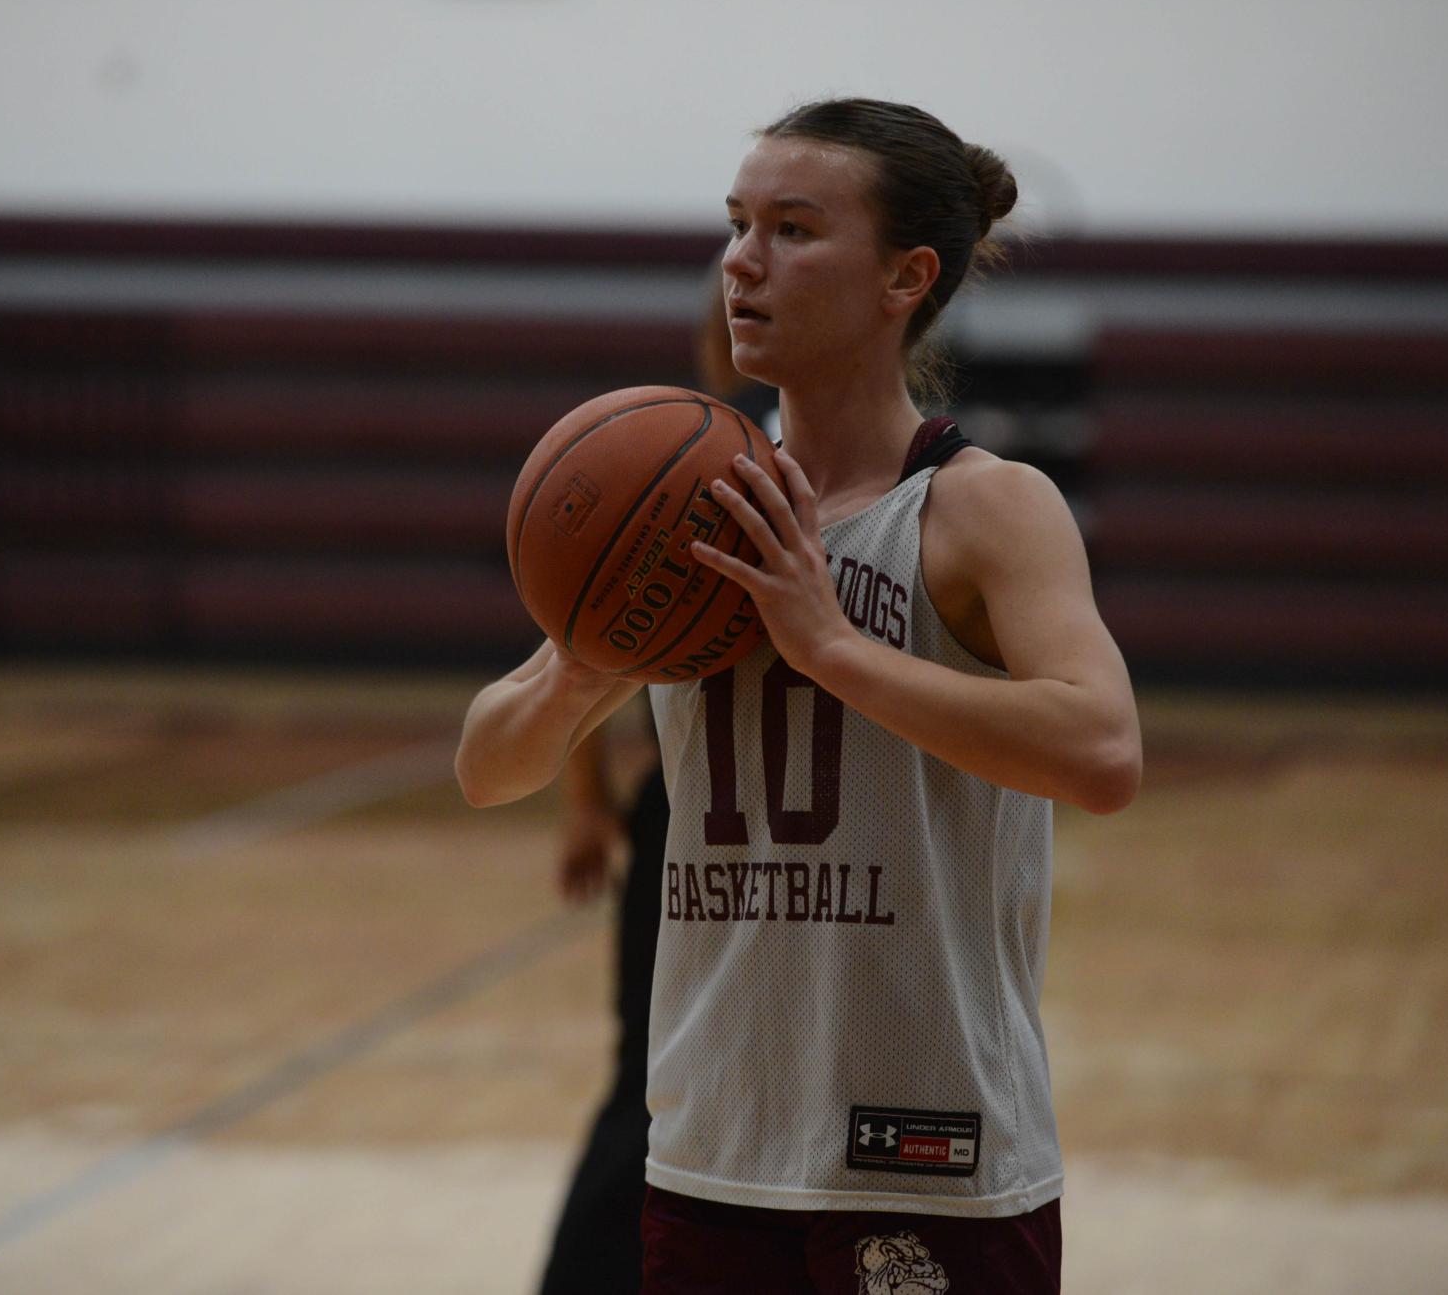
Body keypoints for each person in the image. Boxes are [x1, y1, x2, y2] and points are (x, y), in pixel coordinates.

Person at [460, 99, 1141, 1295]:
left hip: (928, 1155)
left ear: (904, 276)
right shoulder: (687, 501)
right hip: (713, 1150)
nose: (741, 259)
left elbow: (1102, 751)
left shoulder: (983, 506)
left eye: (791, 228)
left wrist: (831, 645)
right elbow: (484, 764)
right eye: (735, 224)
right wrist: (583, 664)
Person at [535, 264, 774, 1295]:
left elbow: (568, 627)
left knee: (652, 1084)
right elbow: (568, 646)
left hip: (709, 814)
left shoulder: (715, 454)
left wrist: (585, 802)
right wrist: (588, 797)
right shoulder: (699, 448)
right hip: (706, 813)